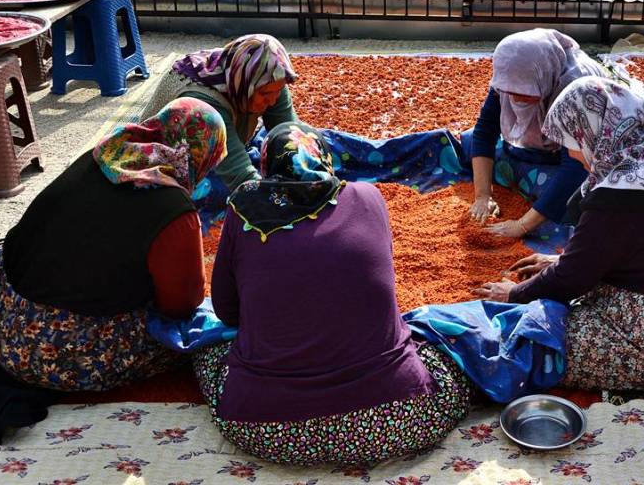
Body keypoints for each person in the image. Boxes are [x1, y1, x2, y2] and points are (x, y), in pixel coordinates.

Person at [194, 122, 472, 466]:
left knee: (203, 343)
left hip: (265, 428)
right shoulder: (367, 197)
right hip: (397, 419)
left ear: (267, 168)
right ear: (325, 160)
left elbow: (226, 311)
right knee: (443, 343)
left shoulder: (244, 207)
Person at [474, 77, 644, 393]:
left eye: (571, 142)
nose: (572, 154)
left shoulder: (622, 192)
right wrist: (559, 259)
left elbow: (571, 280)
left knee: (531, 341)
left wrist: (514, 294)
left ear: (594, 133)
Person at [0, 98, 227, 391]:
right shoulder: (174, 211)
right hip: (42, 348)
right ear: (201, 154)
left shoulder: (107, 154)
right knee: (202, 335)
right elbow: (181, 305)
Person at [461, 28, 606, 238]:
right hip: (533, 147)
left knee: (577, 202)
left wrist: (522, 225)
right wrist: (482, 196)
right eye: (510, 92)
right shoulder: (507, 79)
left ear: (542, 75)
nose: (515, 99)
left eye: (524, 92)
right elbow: (484, 131)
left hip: (577, 157)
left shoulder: (576, 90)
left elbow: (576, 165)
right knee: (468, 142)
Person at [141, 34, 298, 190]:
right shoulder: (205, 107)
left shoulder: (264, 78)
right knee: (220, 193)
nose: (272, 101)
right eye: (265, 95)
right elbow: (241, 177)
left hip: (218, 141)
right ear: (244, 86)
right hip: (162, 167)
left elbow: (291, 137)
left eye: (277, 91)